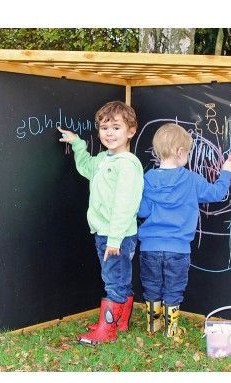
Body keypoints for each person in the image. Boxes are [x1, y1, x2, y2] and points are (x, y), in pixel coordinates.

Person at [138, 123, 231, 337]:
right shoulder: (191, 180)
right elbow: (216, 193)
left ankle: (153, 326)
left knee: (152, 286)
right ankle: (171, 330)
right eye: (188, 152)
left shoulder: (148, 179)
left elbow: (142, 211)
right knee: (173, 288)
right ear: (181, 152)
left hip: (149, 248)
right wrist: (226, 172)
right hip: (178, 249)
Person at [58, 101, 143, 345]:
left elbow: (125, 205)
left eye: (116, 128)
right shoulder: (104, 159)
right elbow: (86, 166)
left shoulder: (127, 164)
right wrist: (77, 143)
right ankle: (119, 321)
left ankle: (107, 330)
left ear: (131, 131)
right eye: (105, 128)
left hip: (116, 236)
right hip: (106, 233)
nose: (109, 133)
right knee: (120, 278)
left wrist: (115, 239)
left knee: (113, 280)